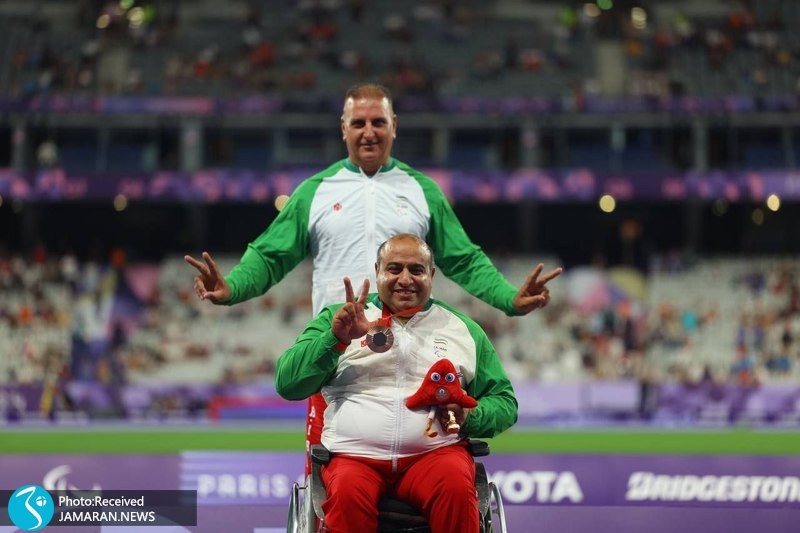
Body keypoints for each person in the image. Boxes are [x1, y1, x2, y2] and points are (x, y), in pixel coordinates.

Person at [184, 83, 560, 468]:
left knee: (420, 474)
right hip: (337, 357)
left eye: (378, 122)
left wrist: (508, 299)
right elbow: (270, 255)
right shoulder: (314, 192)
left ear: (394, 125)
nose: (369, 132)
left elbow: (463, 259)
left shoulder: (422, 191)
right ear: (343, 128)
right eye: (359, 123)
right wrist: (233, 287)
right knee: (328, 482)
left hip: (414, 358)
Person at [275, 234, 517, 533]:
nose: (405, 279)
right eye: (394, 269)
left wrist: (470, 416)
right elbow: (288, 384)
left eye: (416, 270)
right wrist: (334, 340)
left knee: (455, 486)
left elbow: (504, 402)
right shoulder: (340, 319)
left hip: (435, 455)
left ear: (431, 274)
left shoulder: (462, 329)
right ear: (377, 270)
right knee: (347, 493)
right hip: (355, 457)